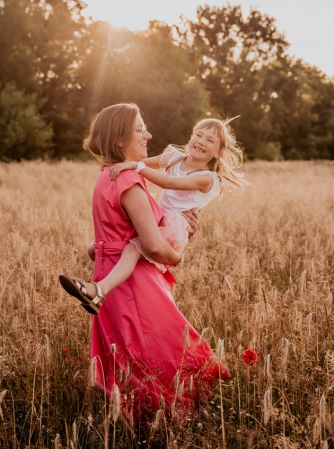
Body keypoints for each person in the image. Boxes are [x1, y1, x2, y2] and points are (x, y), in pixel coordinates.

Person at [60, 103, 231, 422]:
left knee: (132, 357)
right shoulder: (130, 181)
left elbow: (117, 228)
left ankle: (151, 419)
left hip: (113, 274)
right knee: (157, 352)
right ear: (121, 136)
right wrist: (176, 255)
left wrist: (98, 249)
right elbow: (151, 243)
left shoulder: (108, 175)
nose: (148, 134)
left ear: (218, 153)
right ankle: (162, 422)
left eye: (210, 140)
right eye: (140, 129)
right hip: (133, 285)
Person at [59, 116, 245, 315]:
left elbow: (168, 182)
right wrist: (118, 163)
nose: (201, 141)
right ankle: (109, 283)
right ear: (191, 137)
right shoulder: (174, 157)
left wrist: (136, 166)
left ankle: (99, 290)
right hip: (159, 216)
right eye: (199, 135)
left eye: (210, 140)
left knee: (132, 250)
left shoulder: (207, 178)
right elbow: (138, 163)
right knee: (95, 249)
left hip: (175, 225)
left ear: (219, 152)